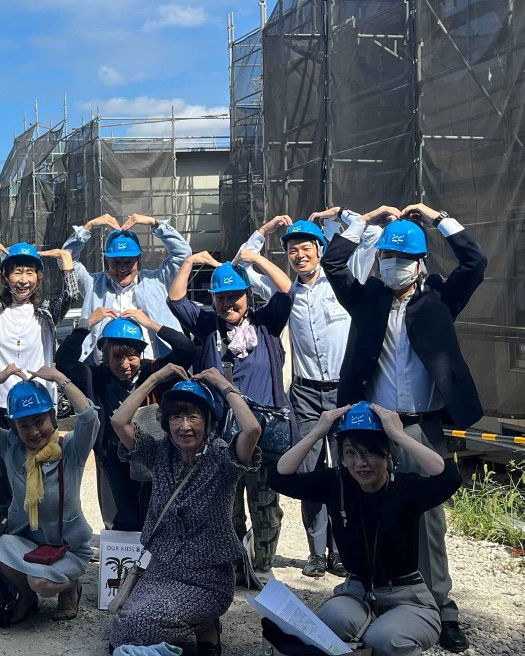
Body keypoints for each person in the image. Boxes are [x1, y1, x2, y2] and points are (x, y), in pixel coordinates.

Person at [321, 203, 487, 653]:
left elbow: (475, 261)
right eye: (387, 256)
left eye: (403, 257)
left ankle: (440, 610)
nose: (393, 264)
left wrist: (437, 217)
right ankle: (368, 595)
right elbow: (333, 262)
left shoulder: (439, 298)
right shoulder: (367, 299)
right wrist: (363, 221)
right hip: (372, 428)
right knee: (365, 510)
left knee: (428, 522)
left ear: (419, 263)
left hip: (419, 428)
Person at [237, 210, 379, 578]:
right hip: (304, 394)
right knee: (311, 470)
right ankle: (316, 553)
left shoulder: (343, 278)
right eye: (292, 250)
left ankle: (343, 550)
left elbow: (370, 235)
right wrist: (264, 230)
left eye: (306, 248)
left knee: (349, 467)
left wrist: (338, 214)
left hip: (344, 391)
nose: (299, 255)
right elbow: (241, 264)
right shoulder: (286, 290)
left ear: (320, 248)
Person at [269, 402, 463, 656]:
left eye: (370, 452)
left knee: (383, 638)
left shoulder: (405, 488)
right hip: (356, 592)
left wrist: (398, 435)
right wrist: (317, 431)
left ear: (387, 453)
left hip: (408, 597)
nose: (360, 463)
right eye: (350, 453)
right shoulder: (336, 483)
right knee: (330, 619)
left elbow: (449, 478)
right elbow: (279, 477)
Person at [108, 367, 263, 655]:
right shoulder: (160, 453)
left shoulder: (223, 458)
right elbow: (119, 420)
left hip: (207, 579)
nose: (184, 426)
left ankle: (204, 627)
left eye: (193, 416)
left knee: (142, 625)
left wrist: (222, 385)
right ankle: (200, 630)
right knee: (121, 627)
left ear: (208, 420)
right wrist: (156, 378)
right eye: (176, 417)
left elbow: (252, 429)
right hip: (161, 572)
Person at [168, 250, 292, 586]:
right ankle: (235, 564)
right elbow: (176, 299)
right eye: (221, 297)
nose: (227, 304)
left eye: (234, 296)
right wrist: (190, 262)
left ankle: (262, 566)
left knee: (266, 504)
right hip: (221, 436)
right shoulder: (207, 326)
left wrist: (256, 259)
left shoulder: (266, 323)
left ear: (248, 295)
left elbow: (286, 289)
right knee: (228, 504)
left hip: (263, 434)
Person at [0, 364, 97, 621]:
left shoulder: (71, 449)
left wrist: (60, 378)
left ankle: (70, 587)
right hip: (28, 543)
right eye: (24, 425)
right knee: (2, 551)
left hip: (68, 547)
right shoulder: (10, 447)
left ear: (52, 417)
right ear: (14, 426)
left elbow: (89, 417)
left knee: (41, 583)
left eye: (39, 421)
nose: (34, 432)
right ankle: (26, 597)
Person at [54, 308, 199, 532]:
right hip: (114, 457)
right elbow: (64, 361)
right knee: (124, 518)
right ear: (105, 356)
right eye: (117, 357)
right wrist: (87, 323)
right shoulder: (96, 377)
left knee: (158, 514)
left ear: (141, 353)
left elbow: (187, 349)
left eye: (131, 356)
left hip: (154, 456)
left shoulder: (154, 372)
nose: (125, 365)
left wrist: (149, 323)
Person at [0, 241, 79, 528]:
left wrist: (64, 256)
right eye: (17, 272)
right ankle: (4, 524)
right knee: (3, 468)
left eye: (30, 272)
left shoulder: (45, 311)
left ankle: (43, 524)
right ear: (5, 276)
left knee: (44, 461)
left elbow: (71, 295)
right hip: (0, 402)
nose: (23, 280)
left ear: (38, 277)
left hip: (39, 403)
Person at [63, 213, 192, 360]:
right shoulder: (93, 285)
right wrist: (88, 226)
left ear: (139, 261)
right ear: (106, 262)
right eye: (116, 262)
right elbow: (66, 258)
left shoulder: (157, 281)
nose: (122, 268)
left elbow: (183, 254)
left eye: (129, 262)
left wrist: (155, 223)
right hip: (102, 370)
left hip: (155, 368)